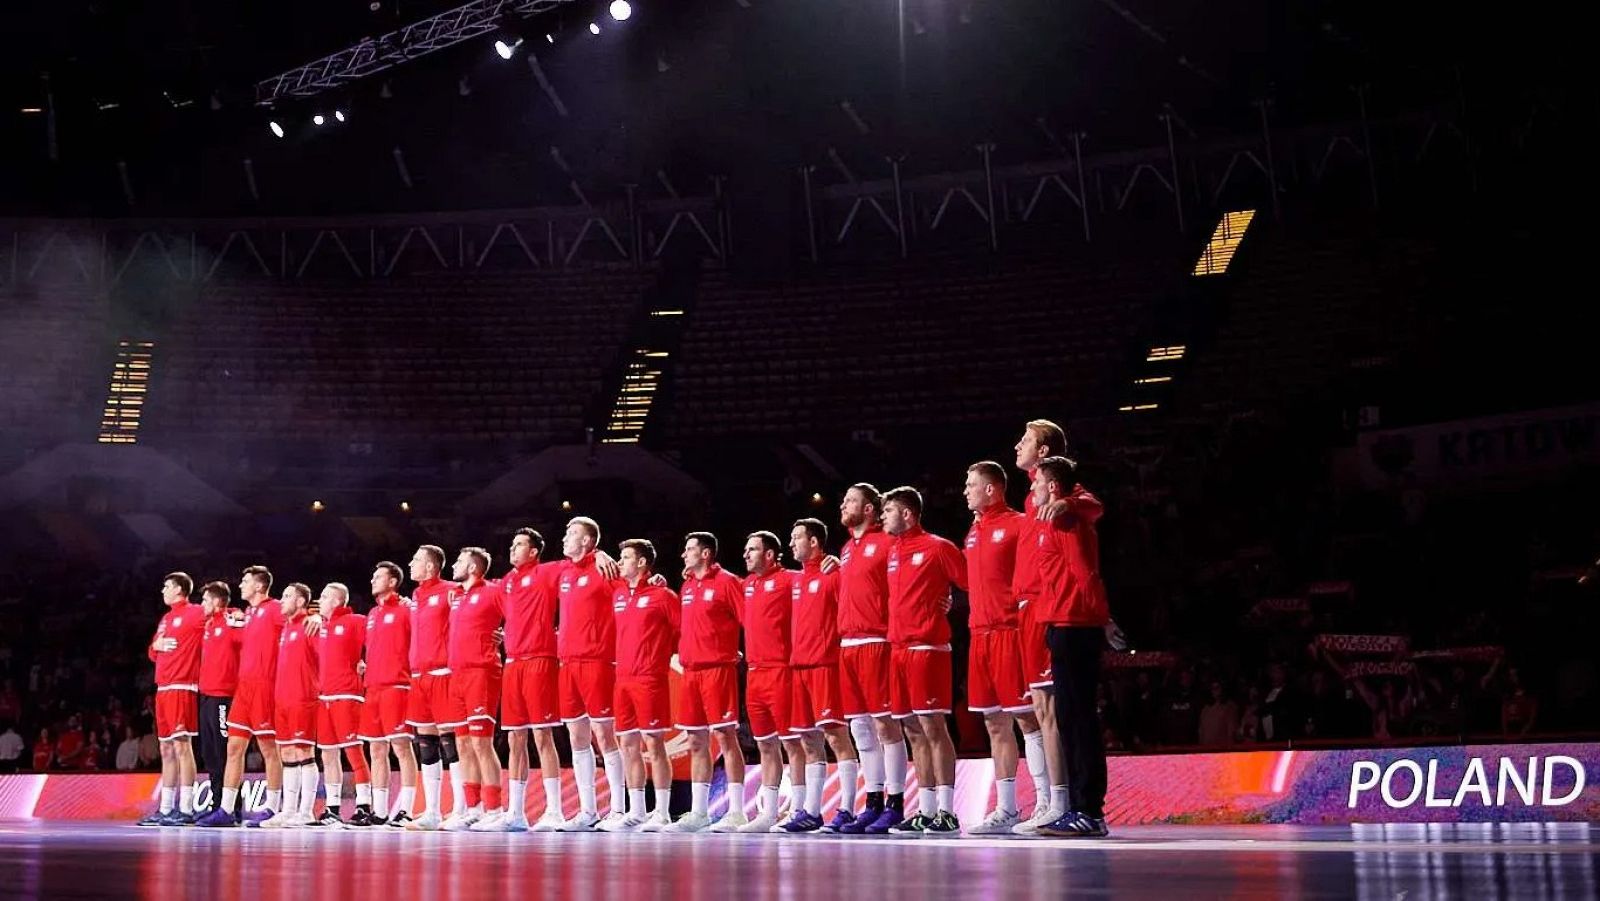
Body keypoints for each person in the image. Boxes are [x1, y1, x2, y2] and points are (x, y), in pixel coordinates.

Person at [961, 462, 1049, 833]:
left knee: (1028, 718)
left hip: (1010, 633)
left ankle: (1047, 801)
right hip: (979, 635)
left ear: (992, 490)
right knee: (994, 722)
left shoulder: (1017, 524)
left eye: (971, 484)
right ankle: (1008, 809)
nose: (965, 490)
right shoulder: (972, 531)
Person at [1029, 456, 1113, 838]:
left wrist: (1103, 620)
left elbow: (1085, 573)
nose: (1031, 489)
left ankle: (1089, 809)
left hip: (1077, 626)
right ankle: (1082, 808)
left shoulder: (1066, 520)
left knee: (1080, 720)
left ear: (1052, 487)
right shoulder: (1051, 517)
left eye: (1037, 483)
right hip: (1059, 625)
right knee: (1069, 719)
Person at [880, 486, 968, 835]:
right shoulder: (891, 551)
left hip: (928, 648)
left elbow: (970, 585)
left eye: (888, 511)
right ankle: (926, 810)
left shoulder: (938, 547)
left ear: (908, 514)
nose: (883, 516)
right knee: (912, 730)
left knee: (933, 727)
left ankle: (947, 811)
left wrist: (951, 605)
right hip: (897, 649)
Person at [1010, 420, 1072, 833]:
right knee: (1036, 709)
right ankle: (1048, 800)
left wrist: (1070, 502)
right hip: (1025, 609)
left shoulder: (1058, 491)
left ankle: (1062, 801)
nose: (1017, 445)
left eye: (1026, 441)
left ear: (1045, 452)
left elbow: (1087, 499)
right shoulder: (1032, 498)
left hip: (1045, 608)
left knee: (1049, 710)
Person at [834, 483, 906, 835]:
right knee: (860, 728)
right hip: (848, 644)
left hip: (877, 641)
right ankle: (873, 801)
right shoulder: (847, 548)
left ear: (868, 510)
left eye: (850, 500)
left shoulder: (888, 542)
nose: (843, 504)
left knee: (885, 725)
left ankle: (896, 802)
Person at [668, 532, 749, 833]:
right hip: (691, 673)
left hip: (718, 670)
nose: (683, 555)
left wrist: (737, 651)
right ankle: (699, 812)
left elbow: (748, 621)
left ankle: (738, 812)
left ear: (705, 554)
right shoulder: (687, 585)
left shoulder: (728, 582)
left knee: (726, 738)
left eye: (688, 549)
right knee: (695, 741)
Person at [783, 518, 860, 833]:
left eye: (796, 537)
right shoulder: (797, 580)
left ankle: (847, 810)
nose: (791, 543)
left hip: (826, 666)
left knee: (836, 737)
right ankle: (812, 812)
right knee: (808, 741)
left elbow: (857, 606)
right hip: (799, 668)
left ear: (814, 542)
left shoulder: (835, 574)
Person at [600, 539, 680, 832]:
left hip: (650, 679)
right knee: (628, 744)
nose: (620, 563)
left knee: (654, 743)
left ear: (642, 563)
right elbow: (595, 564)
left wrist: (661, 655)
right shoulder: (618, 592)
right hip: (623, 680)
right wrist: (600, 553)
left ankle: (661, 812)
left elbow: (683, 630)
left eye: (626, 558)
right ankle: (636, 811)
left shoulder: (663, 596)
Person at [492, 529, 567, 832]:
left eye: (520, 544)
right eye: (512, 543)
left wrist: (598, 553)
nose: (513, 548)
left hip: (540, 660)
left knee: (542, 736)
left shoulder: (548, 572)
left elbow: (578, 565)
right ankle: (516, 812)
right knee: (514, 738)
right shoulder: (506, 582)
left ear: (534, 551)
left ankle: (555, 811)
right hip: (513, 664)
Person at [557, 517, 626, 831]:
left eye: (571, 534)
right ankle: (588, 811)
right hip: (567, 664)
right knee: (576, 737)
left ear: (587, 541)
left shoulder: (604, 570)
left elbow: (632, 590)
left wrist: (600, 554)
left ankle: (619, 809)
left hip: (598, 662)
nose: (564, 538)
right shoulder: (563, 572)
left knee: (605, 734)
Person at [207, 566, 286, 827]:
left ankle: (273, 808)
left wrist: (315, 618)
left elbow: (297, 618)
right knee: (234, 747)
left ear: (259, 586)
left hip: (265, 686)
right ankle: (227, 810)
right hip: (243, 688)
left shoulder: (274, 608)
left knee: (268, 749)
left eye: (245, 581)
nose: (241, 584)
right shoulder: (249, 613)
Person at [738, 530, 803, 833]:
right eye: (746, 549)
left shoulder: (792, 580)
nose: (746, 555)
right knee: (765, 745)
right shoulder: (747, 585)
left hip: (782, 671)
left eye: (752, 550)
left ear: (769, 554)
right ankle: (769, 813)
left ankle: (801, 810)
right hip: (754, 674)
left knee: (793, 743)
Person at [444, 547, 505, 831]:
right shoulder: (455, 595)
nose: (454, 565)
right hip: (457, 673)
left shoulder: (493, 591)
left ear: (472, 567)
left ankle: (495, 809)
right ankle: (473, 808)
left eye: (458, 561)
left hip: (482, 671)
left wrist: (507, 635)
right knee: (463, 743)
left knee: (482, 742)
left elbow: (519, 613)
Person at [137, 572, 205, 827]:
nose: (162, 590)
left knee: (182, 747)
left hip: (182, 686)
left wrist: (237, 614)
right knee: (165, 748)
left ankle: (185, 809)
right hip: (163, 688)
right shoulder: (166, 618)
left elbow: (218, 609)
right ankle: (165, 809)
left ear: (179, 589)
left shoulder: (195, 612)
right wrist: (156, 646)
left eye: (166, 586)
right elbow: (152, 651)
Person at [403, 545, 463, 831]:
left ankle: (461, 808)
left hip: (443, 674)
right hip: (418, 676)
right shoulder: (416, 595)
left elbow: (471, 619)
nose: (411, 564)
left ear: (430, 567)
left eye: (416, 560)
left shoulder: (452, 590)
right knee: (425, 743)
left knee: (451, 741)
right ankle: (432, 811)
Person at [361, 561, 419, 828]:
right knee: (376, 748)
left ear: (393, 581)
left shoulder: (407, 609)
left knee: (401, 747)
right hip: (372, 688)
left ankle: (406, 809)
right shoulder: (372, 614)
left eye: (378, 575)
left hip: (397, 686)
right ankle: (381, 811)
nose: (372, 579)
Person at [260, 583, 322, 828]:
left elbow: (324, 657)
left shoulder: (310, 625)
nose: (281, 600)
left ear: (300, 602)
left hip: (303, 698)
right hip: (282, 699)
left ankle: (306, 812)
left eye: (287, 596)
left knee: (304, 752)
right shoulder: (285, 628)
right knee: (286, 752)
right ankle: (288, 811)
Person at [313, 582, 375, 826]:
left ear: (338, 601)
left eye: (325, 596)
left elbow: (379, 640)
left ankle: (363, 807)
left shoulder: (355, 621)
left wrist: (367, 663)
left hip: (348, 695)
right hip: (324, 696)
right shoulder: (321, 626)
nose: (320, 599)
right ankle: (332, 808)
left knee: (353, 752)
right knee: (328, 754)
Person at [195, 581, 243, 817]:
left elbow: (248, 638)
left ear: (216, 601)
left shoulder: (232, 620)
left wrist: (236, 614)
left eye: (205, 599)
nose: (202, 604)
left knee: (225, 753)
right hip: (205, 696)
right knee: (210, 754)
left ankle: (232, 807)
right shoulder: (208, 624)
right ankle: (216, 805)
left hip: (224, 696)